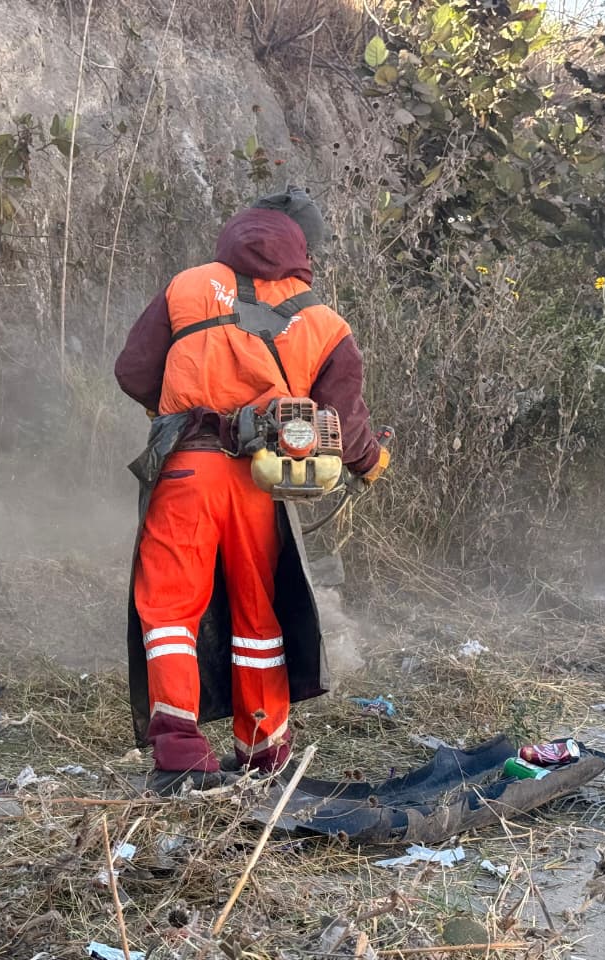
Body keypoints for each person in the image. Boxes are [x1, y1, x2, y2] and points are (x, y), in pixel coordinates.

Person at [115, 187, 390, 794]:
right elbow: (343, 425)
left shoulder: (187, 287)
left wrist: (179, 410)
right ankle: (263, 751)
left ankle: (181, 747)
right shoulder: (324, 322)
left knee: (168, 608)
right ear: (304, 251)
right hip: (263, 480)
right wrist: (371, 462)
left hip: (186, 469)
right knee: (256, 612)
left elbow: (132, 371)